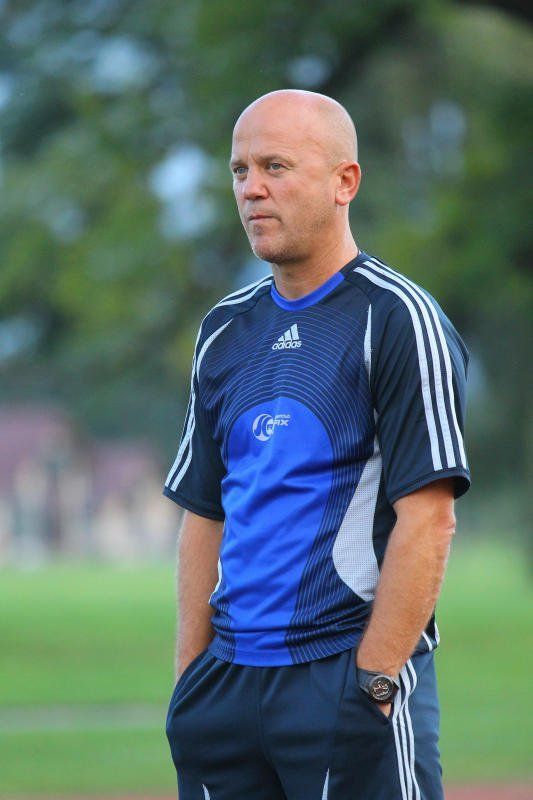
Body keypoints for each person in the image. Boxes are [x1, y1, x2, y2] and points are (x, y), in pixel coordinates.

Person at [163, 89, 471, 800]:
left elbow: (429, 519)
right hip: (226, 688)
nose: (252, 188)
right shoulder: (222, 330)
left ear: (344, 182)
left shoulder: (398, 319)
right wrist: (190, 682)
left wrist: (375, 682)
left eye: (275, 166)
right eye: (240, 170)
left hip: (343, 677)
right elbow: (204, 514)